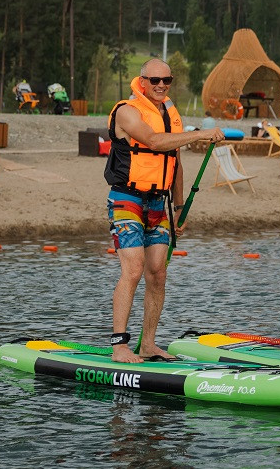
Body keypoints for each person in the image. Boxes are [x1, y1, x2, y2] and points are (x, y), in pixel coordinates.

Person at [105, 58, 225, 363]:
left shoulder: (171, 115)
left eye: (166, 80)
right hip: (127, 200)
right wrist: (199, 134)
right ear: (142, 81)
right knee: (132, 271)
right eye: (155, 80)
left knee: (157, 274)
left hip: (159, 204)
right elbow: (155, 142)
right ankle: (120, 345)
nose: (161, 85)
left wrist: (179, 207)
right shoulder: (126, 111)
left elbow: (176, 164)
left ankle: (148, 345)